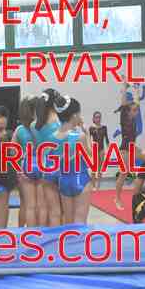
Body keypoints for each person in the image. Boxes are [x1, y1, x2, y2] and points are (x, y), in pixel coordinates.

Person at [50, 96, 92, 225]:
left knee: (68, 222)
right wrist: (87, 134)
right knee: (80, 221)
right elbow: (91, 156)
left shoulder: (52, 137)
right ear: (74, 115)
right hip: (80, 178)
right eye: (79, 113)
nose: (80, 116)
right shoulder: (80, 136)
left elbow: (52, 163)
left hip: (63, 180)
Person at [32, 89, 62, 227]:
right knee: (61, 211)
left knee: (50, 209)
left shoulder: (34, 125)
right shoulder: (59, 122)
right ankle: (63, 237)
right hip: (61, 165)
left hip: (45, 166)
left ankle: (50, 237)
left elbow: (38, 146)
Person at [13, 97, 42, 227]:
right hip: (41, 164)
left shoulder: (19, 130)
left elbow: (12, 151)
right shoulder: (41, 128)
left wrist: (18, 169)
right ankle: (40, 232)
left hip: (26, 165)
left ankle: (25, 232)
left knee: (27, 205)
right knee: (40, 205)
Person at [115, 80, 141, 210]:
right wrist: (124, 87)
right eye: (134, 110)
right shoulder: (124, 117)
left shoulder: (133, 117)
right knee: (123, 173)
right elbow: (124, 103)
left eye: (136, 110)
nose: (137, 112)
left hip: (132, 147)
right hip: (125, 149)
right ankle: (117, 198)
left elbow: (136, 103)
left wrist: (136, 89)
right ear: (128, 111)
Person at [89, 111, 109, 190]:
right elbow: (88, 138)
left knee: (100, 168)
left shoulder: (104, 128)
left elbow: (106, 139)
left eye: (99, 117)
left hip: (101, 149)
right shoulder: (91, 128)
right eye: (96, 117)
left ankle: (98, 185)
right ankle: (93, 185)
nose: (98, 119)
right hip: (95, 148)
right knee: (94, 167)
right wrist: (90, 146)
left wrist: (108, 147)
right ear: (94, 118)